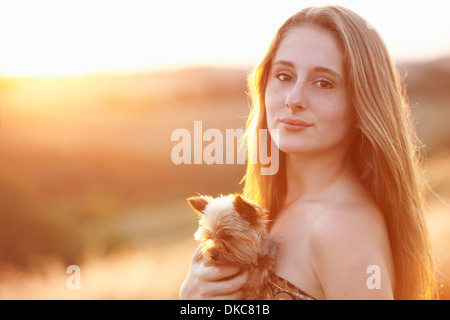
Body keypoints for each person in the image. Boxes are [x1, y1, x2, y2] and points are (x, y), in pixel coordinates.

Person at [179, 5, 438, 300]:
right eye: (285, 75)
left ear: (362, 105)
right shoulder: (275, 207)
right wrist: (191, 298)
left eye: (323, 82)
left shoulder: (341, 228)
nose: (294, 99)